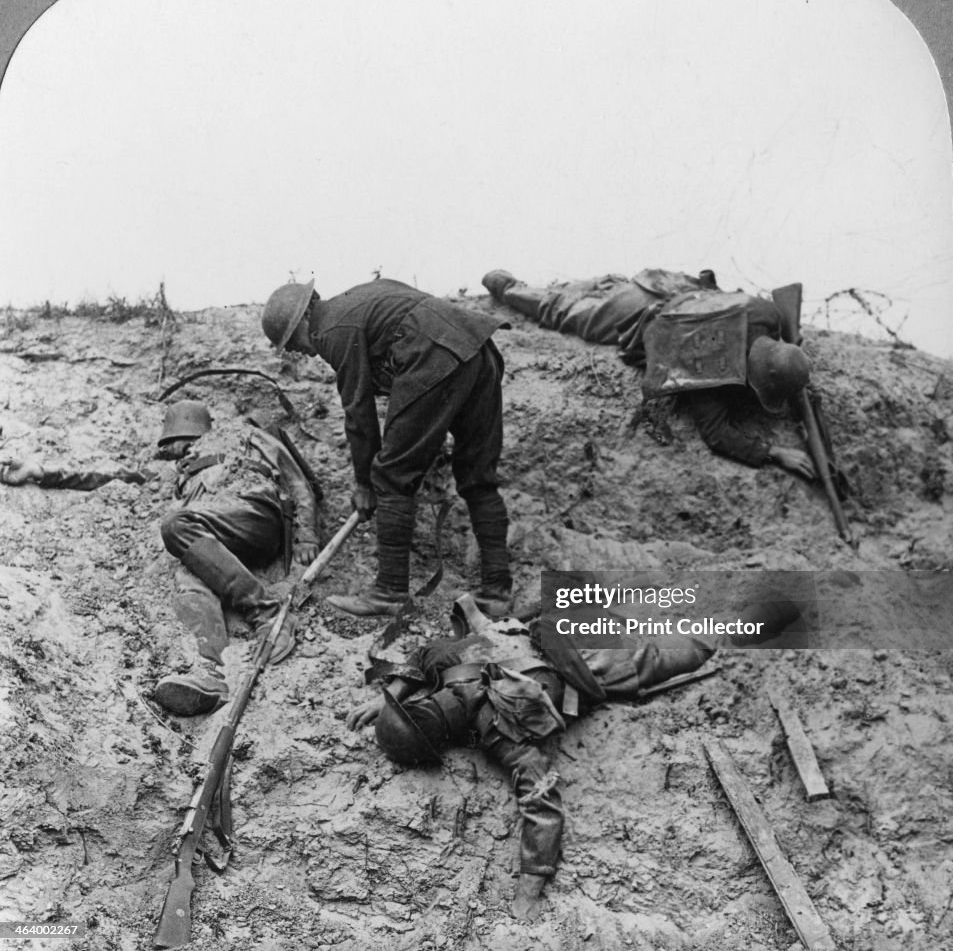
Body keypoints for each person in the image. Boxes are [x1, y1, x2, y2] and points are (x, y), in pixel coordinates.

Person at [346, 586, 803, 921]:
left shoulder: (494, 726)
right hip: (571, 622)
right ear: (427, 702)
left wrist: (531, 882)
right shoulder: (457, 662)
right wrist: (389, 695)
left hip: (601, 662)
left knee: (697, 644)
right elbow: (425, 656)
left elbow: (541, 796)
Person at [2, 400, 321, 716]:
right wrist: (40, 472)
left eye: (172, 443)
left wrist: (307, 535)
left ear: (189, 432)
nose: (170, 452)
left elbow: (298, 483)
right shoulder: (178, 469)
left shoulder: (243, 435)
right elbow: (113, 475)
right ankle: (210, 673)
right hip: (215, 535)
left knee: (177, 524)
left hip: (255, 514)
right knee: (190, 576)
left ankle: (266, 612)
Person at [261, 278, 513, 618]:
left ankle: (390, 591)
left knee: (392, 476)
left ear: (307, 316)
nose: (298, 351)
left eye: (292, 340)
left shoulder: (332, 328)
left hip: (434, 356)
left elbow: (359, 414)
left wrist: (366, 483)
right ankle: (497, 591)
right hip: (477, 348)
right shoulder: (360, 299)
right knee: (478, 473)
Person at [482, 269, 814, 477]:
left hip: (676, 286)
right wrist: (774, 452)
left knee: (600, 292)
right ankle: (509, 288)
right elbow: (716, 433)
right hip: (643, 310)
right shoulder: (711, 362)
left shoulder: (767, 315)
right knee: (565, 313)